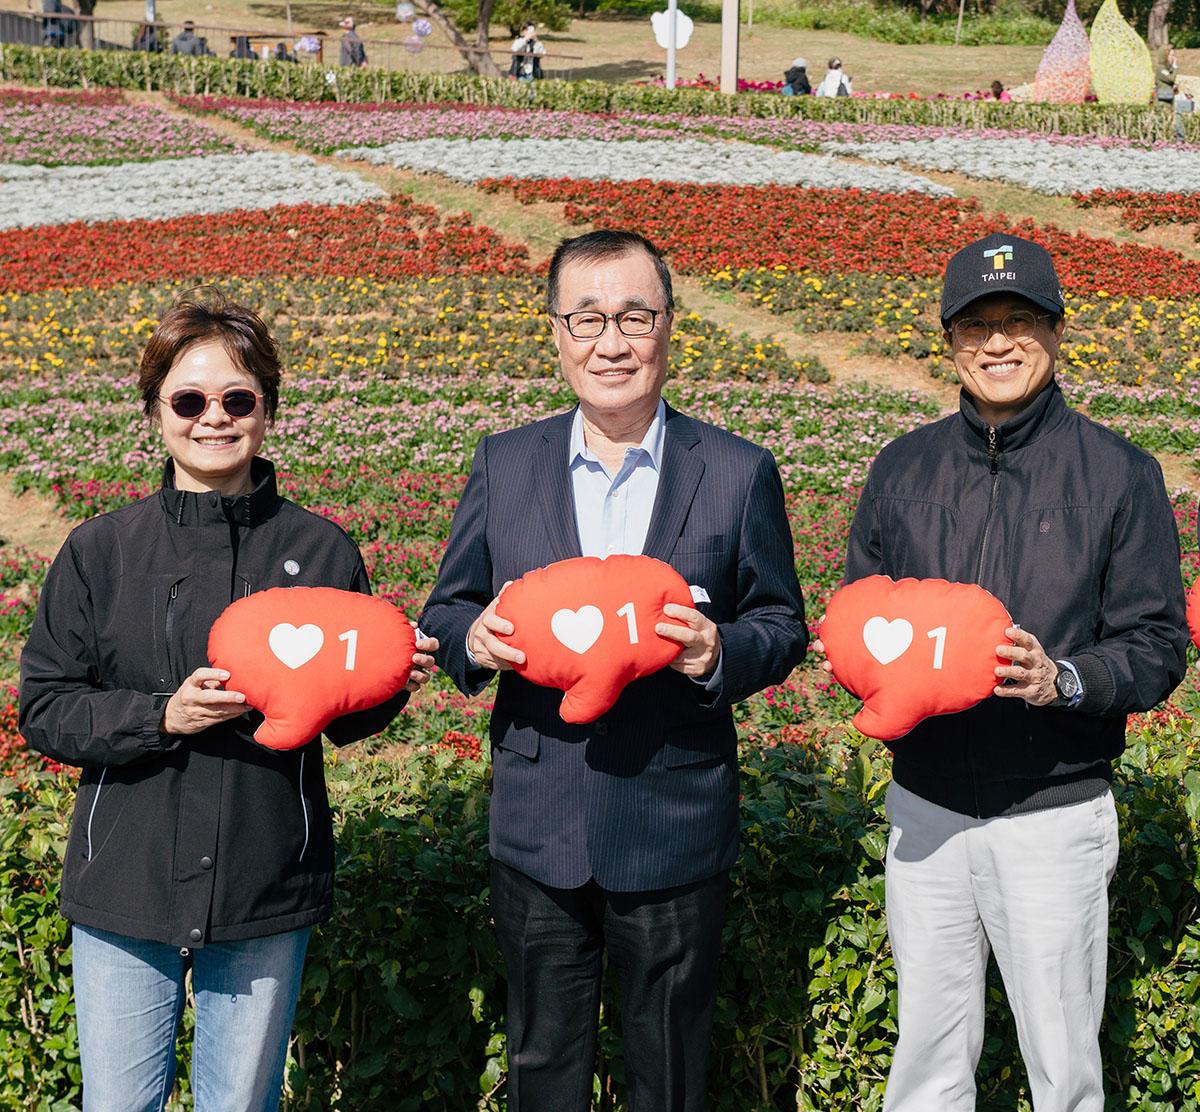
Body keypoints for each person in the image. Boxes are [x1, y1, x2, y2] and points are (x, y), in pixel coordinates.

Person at [19, 293, 438, 1110]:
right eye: (189, 400)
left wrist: (394, 683)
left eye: (237, 399)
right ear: (156, 411)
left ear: (267, 410)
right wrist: (160, 716)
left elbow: (342, 717)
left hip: (262, 877)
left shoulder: (319, 548)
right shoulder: (100, 551)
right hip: (125, 884)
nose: (214, 418)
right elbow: (47, 707)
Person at [421, 229, 808, 1112]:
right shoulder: (504, 462)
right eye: (587, 317)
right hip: (538, 820)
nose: (612, 341)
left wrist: (719, 653)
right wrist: (471, 640)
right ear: (555, 333)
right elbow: (447, 608)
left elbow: (783, 623)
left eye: (635, 315)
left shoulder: (738, 471)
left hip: (673, 818)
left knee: (669, 1068)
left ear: (670, 326)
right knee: (541, 1064)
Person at [815, 232, 1187, 1112]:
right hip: (928, 808)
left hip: (1052, 813)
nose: (996, 342)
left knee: (1063, 1068)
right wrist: (853, 658)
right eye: (975, 324)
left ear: (1055, 332)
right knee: (930, 1060)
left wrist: (1064, 677)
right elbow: (858, 612)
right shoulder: (902, 468)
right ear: (948, 340)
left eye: (1018, 319)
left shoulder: (1120, 474)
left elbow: (1158, 642)